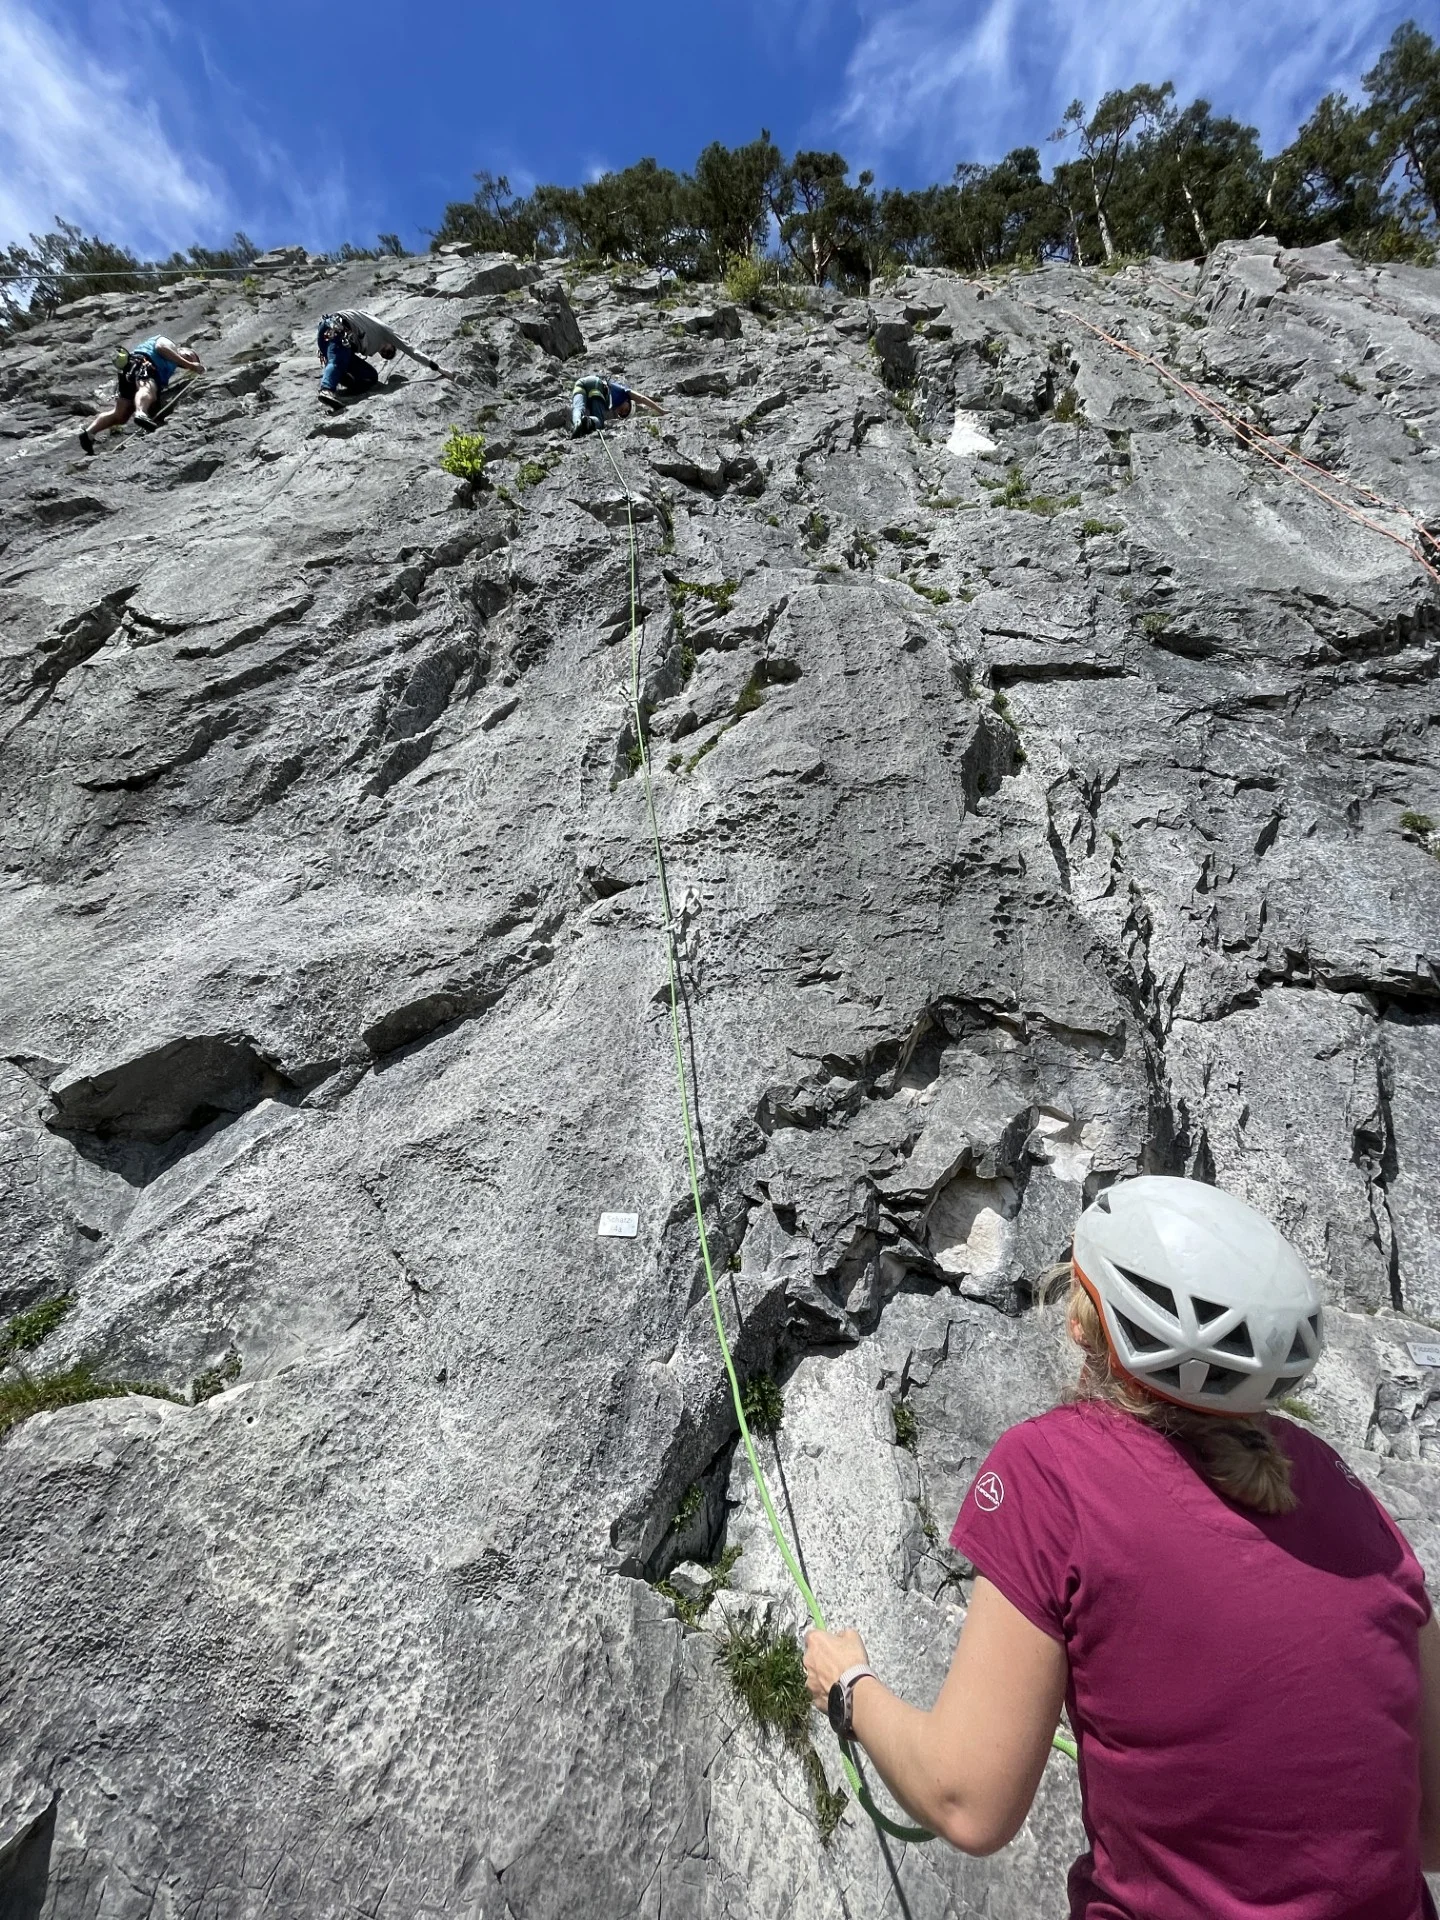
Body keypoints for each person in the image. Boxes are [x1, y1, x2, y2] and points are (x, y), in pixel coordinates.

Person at [803, 1176, 1440, 1918]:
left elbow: (967, 1800)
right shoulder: (1340, 1490)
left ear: (1084, 1324)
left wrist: (849, 1688)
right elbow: (1428, 1823)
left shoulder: (1055, 1470)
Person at [79, 334, 204, 453]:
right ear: (183, 350)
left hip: (131, 369)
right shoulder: (168, 343)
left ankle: (89, 433)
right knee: (148, 389)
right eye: (190, 356)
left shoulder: (171, 365)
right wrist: (192, 365)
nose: (188, 361)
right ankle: (141, 413)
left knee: (121, 414)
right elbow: (161, 348)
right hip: (144, 364)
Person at [316, 311, 454, 407]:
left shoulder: (371, 333)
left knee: (370, 376)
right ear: (392, 343)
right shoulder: (386, 332)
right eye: (390, 351)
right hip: (335, 328)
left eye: (386, 356)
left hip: (336, 340)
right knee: (338, 359)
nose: (385, 354)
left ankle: (344, 387)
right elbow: (412, 351)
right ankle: (326, 389)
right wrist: (438, 368)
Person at [570, 371, 663, 437]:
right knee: (599, 423)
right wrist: (661, 411)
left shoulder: (610, 406)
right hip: (597, 385)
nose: (623, 412)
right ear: (628, 402)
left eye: (622, 415)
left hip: (581, 383)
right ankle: (588, 421)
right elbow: (642, 398)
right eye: (627, 409)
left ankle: (577, 423)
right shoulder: (624, 393)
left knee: (578, 408)